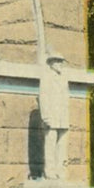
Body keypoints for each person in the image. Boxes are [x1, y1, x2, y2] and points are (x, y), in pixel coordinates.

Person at [38, 50, 69, 180]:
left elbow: (66, 98)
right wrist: (46, 116)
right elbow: (43, 97)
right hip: (52, 116)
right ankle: (49, 171)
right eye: (56, 61)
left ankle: (60, 170)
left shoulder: (63, 78)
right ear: (50, 63)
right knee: (50, 143)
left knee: (62, 144)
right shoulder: (46, 78)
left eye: (61, 61)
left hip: (62, 115)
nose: (59, 63)